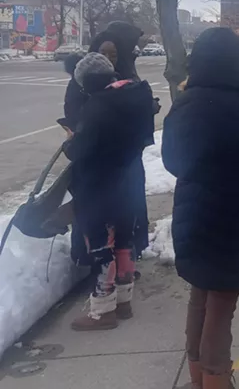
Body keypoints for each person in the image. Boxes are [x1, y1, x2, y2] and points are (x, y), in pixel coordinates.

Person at [162, 27, 239, 389]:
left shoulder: (184, 103)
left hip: (192, 220)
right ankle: (217, 381)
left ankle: (197, 379)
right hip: (233, 227)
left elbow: (172, 161)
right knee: (221, 310)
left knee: (199, 300)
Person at [64, 53, 155, 331]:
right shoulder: (134, 96)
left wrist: (71, 142)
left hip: (100, 184)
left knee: (102, 245)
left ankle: (103, 309)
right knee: (124, 240)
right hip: (128, 180)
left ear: (88, 82)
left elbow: (82, 150)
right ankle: (124, 300)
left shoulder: (99, 106)